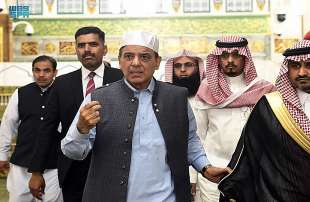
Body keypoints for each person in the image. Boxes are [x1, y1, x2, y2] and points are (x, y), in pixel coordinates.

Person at [61, 31, 230, 202]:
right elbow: (72, 152)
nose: (135, 63)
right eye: (128, 56)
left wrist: (205, 168)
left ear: (157, 62)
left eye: (144, 57)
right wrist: (80, 130)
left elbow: (190, 140)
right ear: (119, 61)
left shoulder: (176, 98)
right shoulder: (98, 98)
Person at [219, 40, 310, 202]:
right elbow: (248, 155)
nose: (301, 72)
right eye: (294, 66)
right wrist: (232, 191)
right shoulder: (271, 107)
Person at [28, 26, 123, 201]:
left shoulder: (121, 79)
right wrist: (36, 171)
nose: (87, 50)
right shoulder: (62, 84)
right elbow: (46, 129)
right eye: (81, 45)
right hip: (73, 169)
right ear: (76, 49)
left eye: (93, 44)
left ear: (105, 48)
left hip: (116, 168)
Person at [195, 36, 275, 201]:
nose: (230, 60)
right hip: (213, 174)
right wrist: (194, 175)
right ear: (217, 58)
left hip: (253, 173)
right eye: (224, 55)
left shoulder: (263, 90)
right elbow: (196, 137)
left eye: (236, 55)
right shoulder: (206, 90)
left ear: (245, 57)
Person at [0, 55, 62, 202]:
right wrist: (2, 155)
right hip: (22, 161)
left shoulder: (63, 93)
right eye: (37, 70)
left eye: (46, 70)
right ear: (32, 71)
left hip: (53, 164)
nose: (41, 75)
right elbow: (8, 125)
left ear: (55, 72)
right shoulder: (20, 93)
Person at [164, 49, 205, 201]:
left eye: (188, 65)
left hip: (206, 171)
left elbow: (201, 138)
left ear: (198, 68)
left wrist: (193, 176)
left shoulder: (208, 99)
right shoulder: (165, 100)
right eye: (177, 66)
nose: (182, 70)